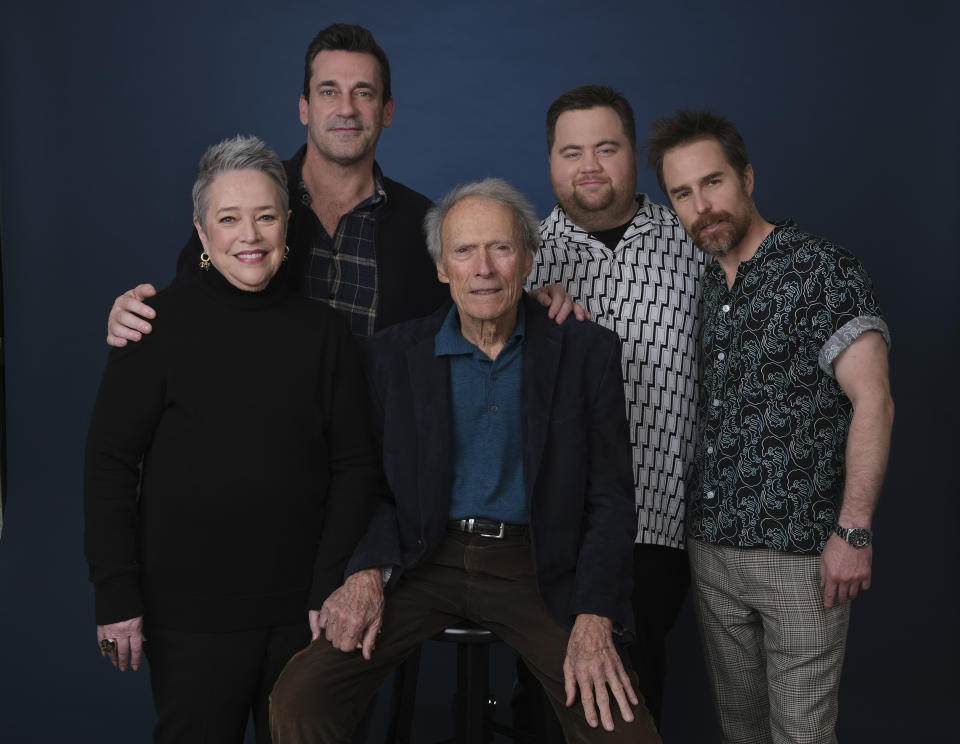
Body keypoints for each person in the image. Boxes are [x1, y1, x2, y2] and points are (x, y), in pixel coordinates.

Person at [268, 178, 661, 744]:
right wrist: (364, 573)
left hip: (537, 565)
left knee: (623, 732)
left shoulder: (585, 352)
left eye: (501, 248)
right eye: (463, 251)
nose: (484, 268)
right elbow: (373, 486)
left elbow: (610, 500)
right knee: (302, 695)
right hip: (422, 559)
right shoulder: (391, 357)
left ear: (527, 260)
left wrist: (595, 615)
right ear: (441, 268)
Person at [84, 135, 382, 743]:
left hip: (302, 612)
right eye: (228, 219)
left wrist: (328, 587)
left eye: (266, 216)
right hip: (187, 617)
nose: (249, 235)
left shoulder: (323, 333)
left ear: (286, 224)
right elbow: (109, 464)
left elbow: (354, 464)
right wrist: (116, 593)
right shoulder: (154, 328)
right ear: (201, 231)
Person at [646, 109, 894, 743]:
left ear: (747, 177)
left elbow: (875, 401)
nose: (702, 206)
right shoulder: (696, 281)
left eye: (713, 182)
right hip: (710, 552)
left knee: (801, 736)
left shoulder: (821, 270)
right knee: (743, 733)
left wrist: (854, 529)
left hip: (801, 556)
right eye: (682, 193)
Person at [105, 24, 575, 346]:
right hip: (261, 451)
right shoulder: (247, 205)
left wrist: (532, 305)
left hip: (379, 465)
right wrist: (135, 316)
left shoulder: (425, 223)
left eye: (363, 93)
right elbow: (191, 300)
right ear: (305, 108)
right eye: (329, 91)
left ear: (386, 111)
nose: (346, 108)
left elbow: (473, 312)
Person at [526, 84, 705, 731]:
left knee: (630, 703)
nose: (590, 165)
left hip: (658, 526)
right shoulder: (520, 262)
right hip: (549, 532)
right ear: (550, 162)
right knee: (548, 706)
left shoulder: (695, 246)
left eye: (607, 147)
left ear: (634, 153)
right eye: (572, 151)